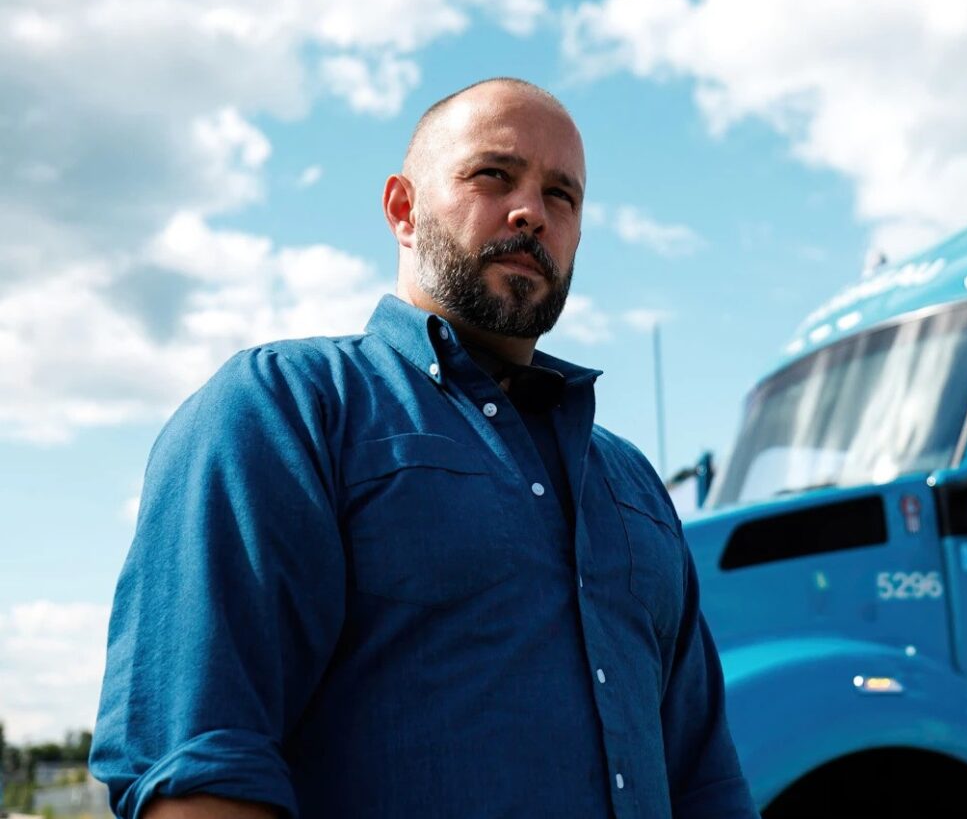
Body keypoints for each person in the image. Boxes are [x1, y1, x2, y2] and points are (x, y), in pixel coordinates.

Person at [91, 77, 758, 819]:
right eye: (493, 175)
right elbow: (202, 771)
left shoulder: (633, 485)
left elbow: (707, 785)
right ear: (403, 210)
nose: (530, 212)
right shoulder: (283, 410)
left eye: (561, 195)